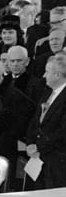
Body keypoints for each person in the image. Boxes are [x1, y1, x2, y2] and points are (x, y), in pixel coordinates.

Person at [26, 52, 66, 189]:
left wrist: (39, 146)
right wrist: (30, 143)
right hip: (41, 158)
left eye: (47, 72)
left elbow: (63, 131)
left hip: (58, 162)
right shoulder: (48, 92)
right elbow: (35, 121)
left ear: (57, 75)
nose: (44, 76)